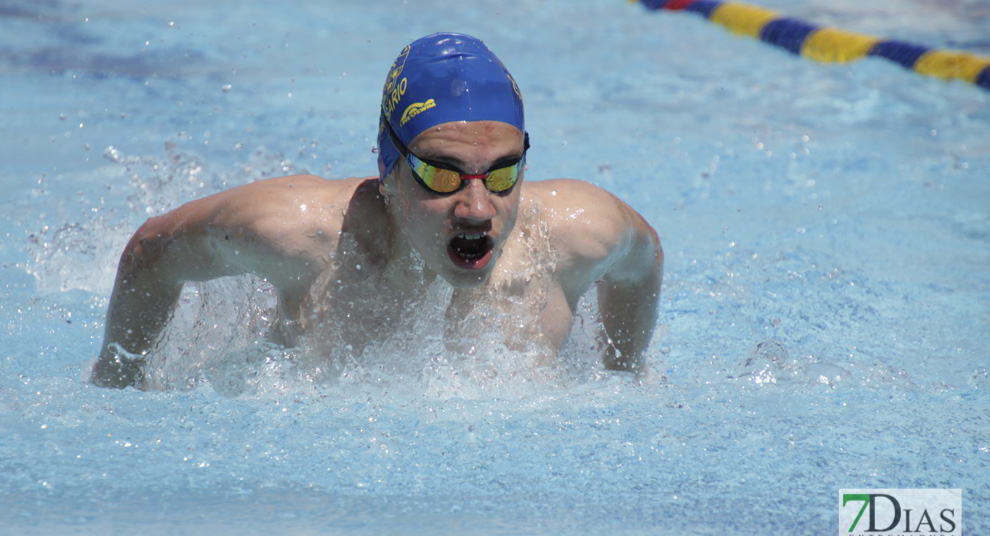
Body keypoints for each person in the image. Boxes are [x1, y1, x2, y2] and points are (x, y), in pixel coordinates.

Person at [90, 32, 662, 389]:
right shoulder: (298, 234)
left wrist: (622, 380)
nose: (477, 207)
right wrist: (120, 386)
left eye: (504, 172)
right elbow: (151, 253)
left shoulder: (581, 232)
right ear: (388, 173)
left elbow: (645, 261)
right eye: (442, 174)